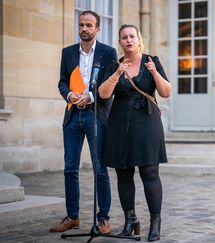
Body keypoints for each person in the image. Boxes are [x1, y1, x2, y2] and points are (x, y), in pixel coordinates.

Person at [98, 24, 171, 241]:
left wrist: (154, 72)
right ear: (120, 42)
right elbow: (103, 94)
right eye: (124, 37)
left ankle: (155, 223)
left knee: (149, 172)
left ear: (139, 39)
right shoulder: (114, 64)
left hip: (147, 122)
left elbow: (166, 92)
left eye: (132, 36)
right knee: (123, 172)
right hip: (119, 123)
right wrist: (116, 74)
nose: (128, 40)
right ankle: (130, 220)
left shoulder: (152, 60)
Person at [51, 10, 117, 234]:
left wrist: (88, 96)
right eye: (81, 25)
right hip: (72, 116)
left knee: (100, 169)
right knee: (70, 168)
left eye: (89, 25)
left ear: (97, 29)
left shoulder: (108, 53)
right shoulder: (67, 52)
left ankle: (104, 219)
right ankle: (72, 217)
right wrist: (70, 95)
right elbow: (62, 82)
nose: (85, 29)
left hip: (95, 114)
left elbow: (110, 85)